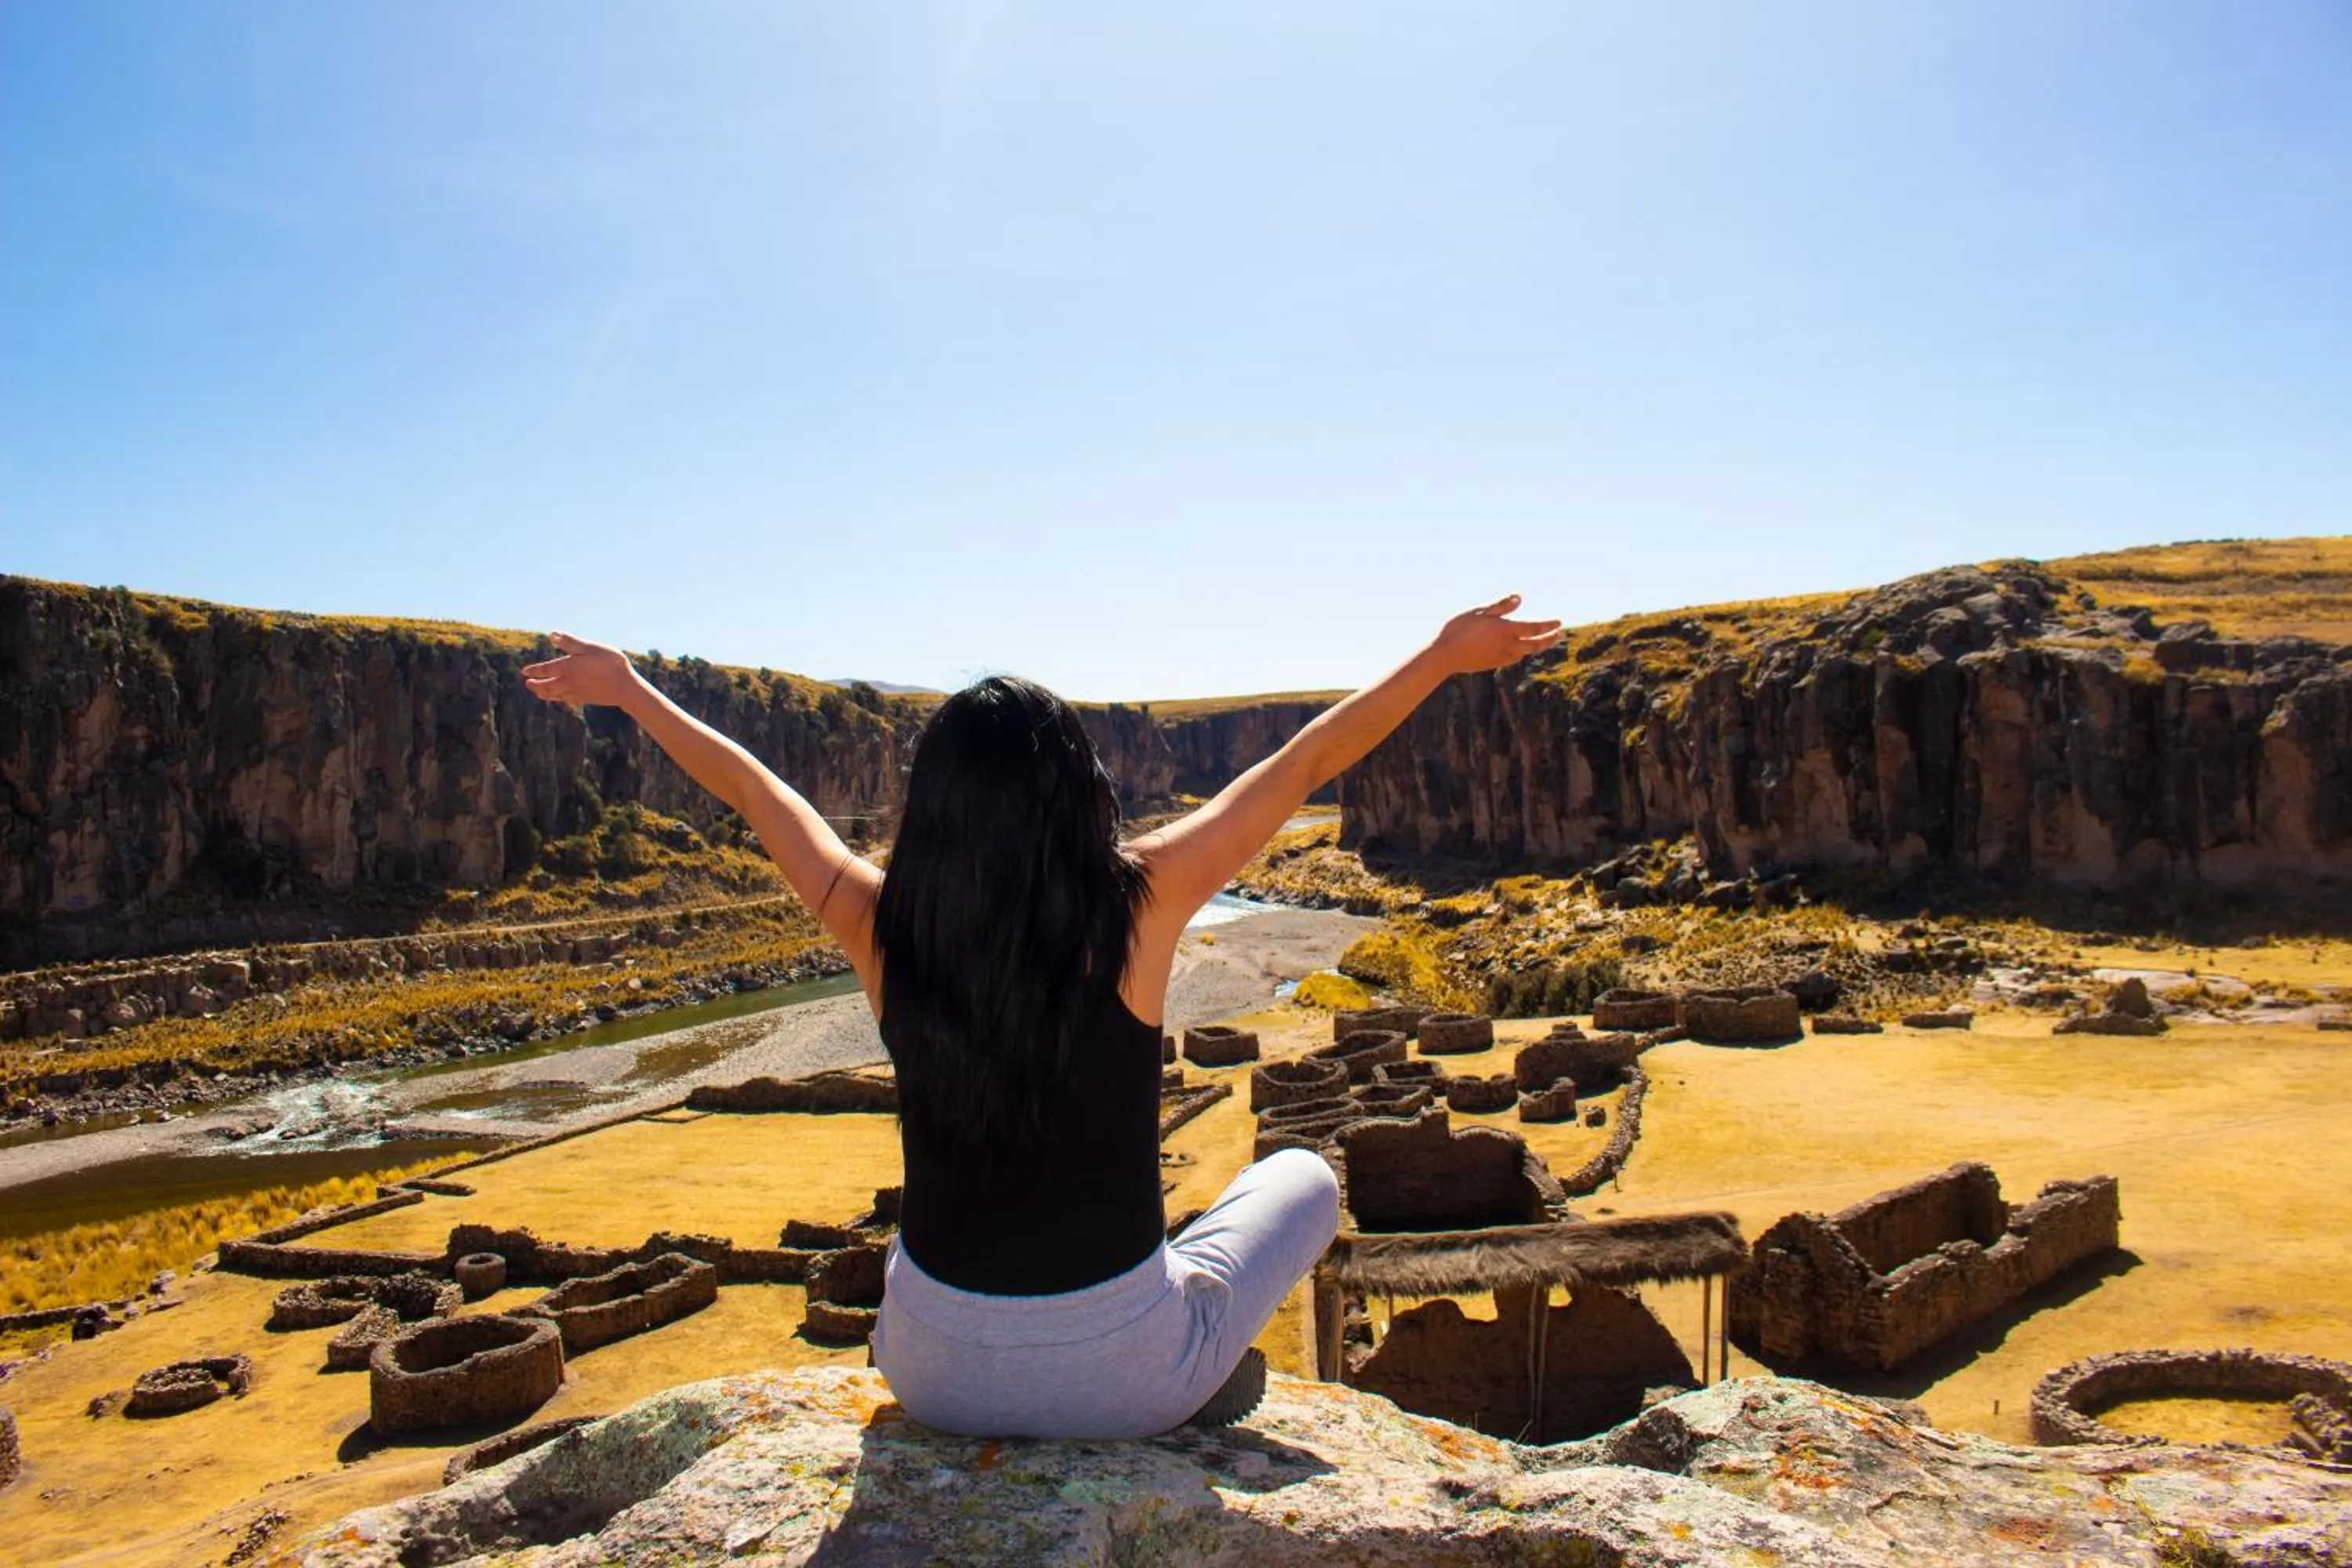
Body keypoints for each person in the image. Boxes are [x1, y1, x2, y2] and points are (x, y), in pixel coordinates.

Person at [521, 595, 1561, 1438]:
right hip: (1124, 1381)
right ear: (1079, 793)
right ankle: (1191, 1372)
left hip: (924, 1372)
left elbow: (754, 793)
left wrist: (628, 691)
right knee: (1303, 1179)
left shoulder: (881, 921)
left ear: (932, 802)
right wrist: (1438, 655)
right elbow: (1296, 769)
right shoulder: (1139, 904)